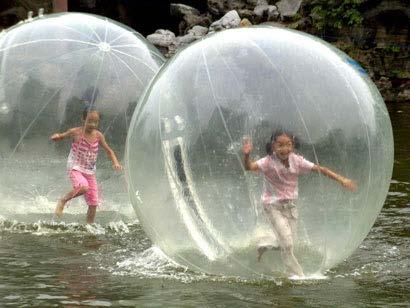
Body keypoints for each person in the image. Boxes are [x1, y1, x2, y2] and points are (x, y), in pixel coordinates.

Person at [242, 130, 357, 277]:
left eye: (288, 145)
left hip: (291, 207)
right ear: (273, 146)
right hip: (272, 206)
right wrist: (246, 155)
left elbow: (319, 169)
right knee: (288, 244)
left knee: (288, 242)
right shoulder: (267, 162)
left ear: (293, 146)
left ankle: (264, 245)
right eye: (280, 145)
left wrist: (342, 180)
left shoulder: (297, 161)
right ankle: (296, 276)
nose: (285, 149)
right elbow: (249, 167)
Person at [50, 108, 122, 223]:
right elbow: (62, 136)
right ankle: (63, 201)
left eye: (95, 122)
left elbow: (109, 151)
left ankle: (89, 225)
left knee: (94, 203)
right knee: (83, 187)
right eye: (89, 121)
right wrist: (56, 137)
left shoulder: (98, 136)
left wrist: (116, 162)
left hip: (89, 171)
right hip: (75, 167)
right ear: (83, 119)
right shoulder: (76, 132)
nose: (92, 124)